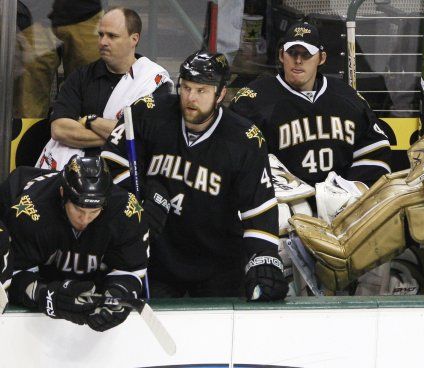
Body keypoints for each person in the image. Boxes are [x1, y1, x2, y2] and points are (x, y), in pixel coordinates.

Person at [230, 22, 401, 295]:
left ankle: (365, 303)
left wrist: (347, 191)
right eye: (292, 52)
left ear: (321, 57)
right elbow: (238, 160)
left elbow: (376, 150)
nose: (298, 60)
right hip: (286, 210)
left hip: (339, 209)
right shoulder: (254, 99)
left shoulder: (346, 97)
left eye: (306, 54)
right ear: (281, 55)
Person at [101, 51, 287, 301]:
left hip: (218, 263)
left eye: (202, 91)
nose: (190, 98)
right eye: (186, 88)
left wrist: (263, 258)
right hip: (156, 258)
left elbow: (259, 210)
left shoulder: (245, 139)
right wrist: (139, 199)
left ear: (221, 94)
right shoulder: (147, 112)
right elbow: (110, 165)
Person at [4, 155, 149, 330]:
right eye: (79, 210)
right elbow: (13, 276)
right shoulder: (31, 211)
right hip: (42, 280)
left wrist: (117, 293)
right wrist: (47, 296)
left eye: (94, 211)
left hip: (92, 283)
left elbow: (130, 270)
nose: (85, 220)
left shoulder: (126, 212)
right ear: (63, 193)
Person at [37, 7, 173, 170]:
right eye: (101, 34)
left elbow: (146, 137)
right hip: (71, 171)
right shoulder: (81, 76)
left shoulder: (154, 82)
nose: (103, 42)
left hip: (122, 176)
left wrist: (90, 121)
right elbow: (59, 130)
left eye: (112, 36)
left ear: (134, 39)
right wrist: (119, 135)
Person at [13, 0, 103, 119]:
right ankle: (28, 135)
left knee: (90, 91)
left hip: (86, 13)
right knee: (27, 101)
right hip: (34, 16)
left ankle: (84, 134)